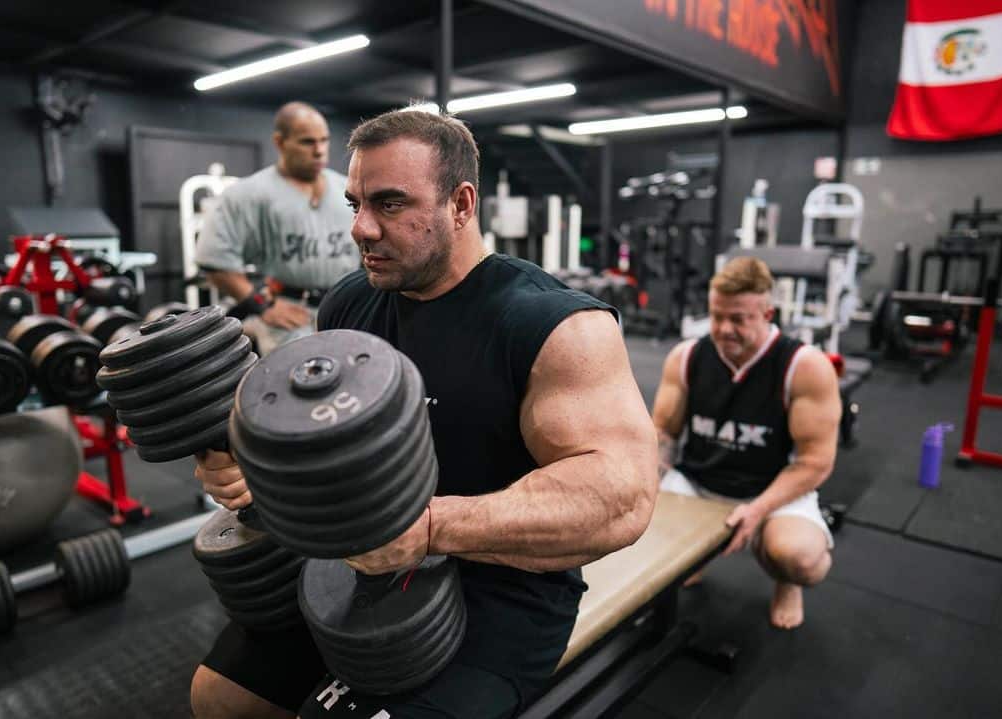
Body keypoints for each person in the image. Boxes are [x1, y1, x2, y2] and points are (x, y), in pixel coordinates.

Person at [190, 109, 658, 719]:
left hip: (499, 592)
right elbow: (327, 449)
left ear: (461, 205)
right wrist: (263, 480)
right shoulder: (349, 304)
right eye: (355, 203)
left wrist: (430, 527)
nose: (360, 228)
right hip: (357, 568)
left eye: (389, 205)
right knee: (221, 697)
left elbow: (621, 496)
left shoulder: (553, 325)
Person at [651, 256, 841, 630]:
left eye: (738, 319)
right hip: (699, 482)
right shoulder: (686, 357)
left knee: (798, 558)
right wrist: (644, 487)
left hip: (770, 491)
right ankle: (695, 554)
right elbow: (663, 435)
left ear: (768, 313)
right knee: (635, 529)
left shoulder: (804, 367)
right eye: (716, 315)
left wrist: (757, 511)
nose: (724, 329)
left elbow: (815, 462)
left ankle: (786, 583)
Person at [194, 101, 359, 354]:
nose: (319, 151)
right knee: (297, 387)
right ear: (280, 142)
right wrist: (262, 305)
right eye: (307, 142)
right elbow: (214, 260)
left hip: (348, 307)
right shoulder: (248, 194)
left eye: (324, 140)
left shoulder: (347, 189)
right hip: (291, 316)